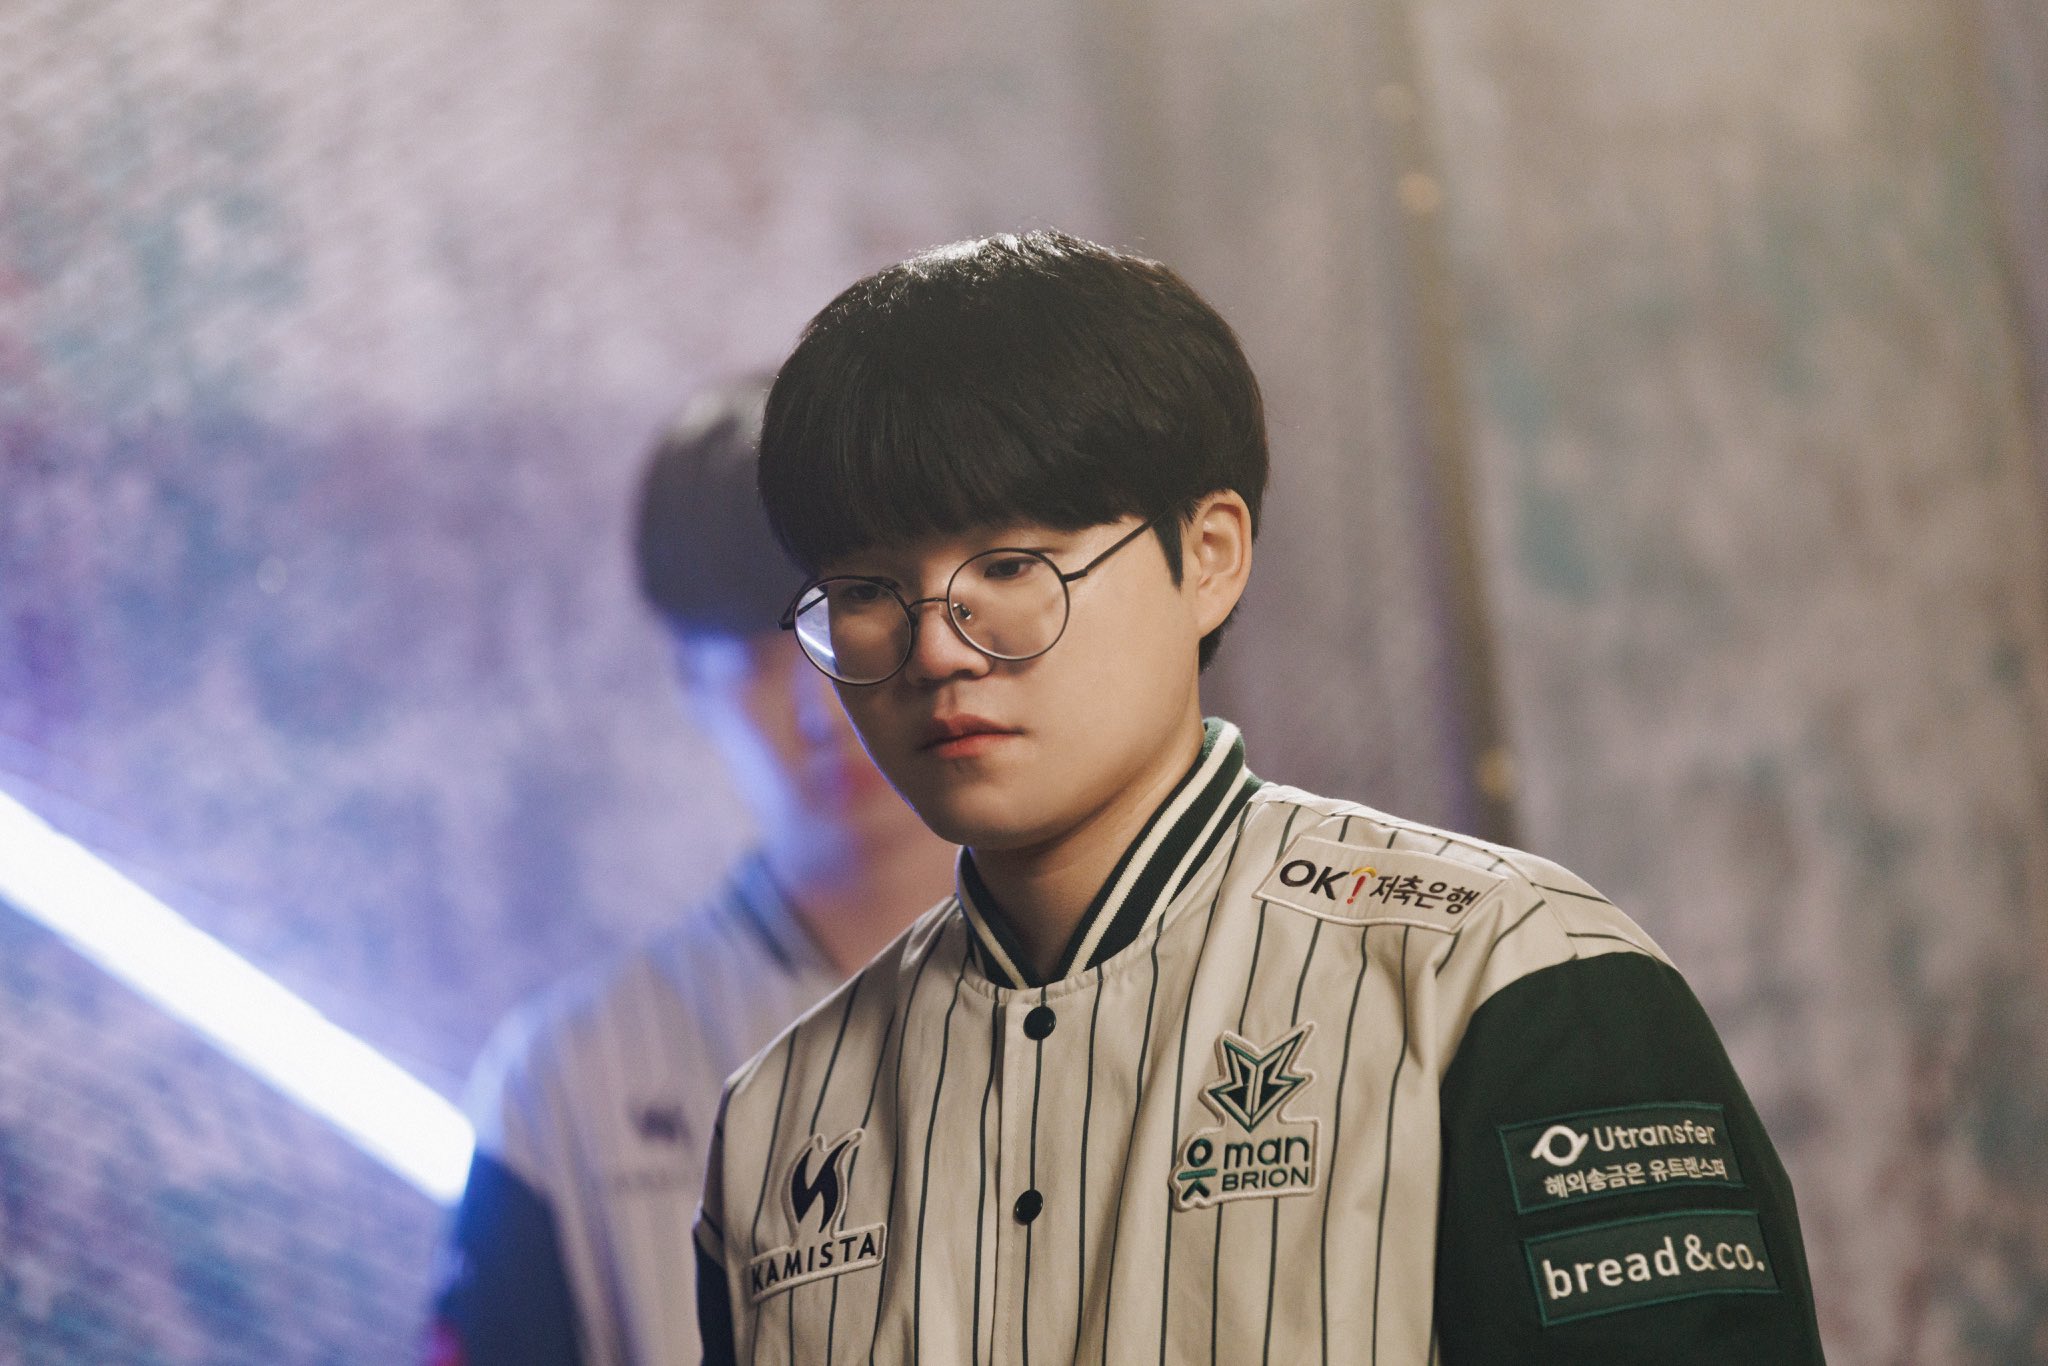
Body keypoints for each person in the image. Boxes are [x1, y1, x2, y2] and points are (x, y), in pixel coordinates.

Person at [692, 231, 1826, 1363]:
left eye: (1009, 565)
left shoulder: (1504, 977)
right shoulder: (776, 1120)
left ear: (1211, 556)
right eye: (867, 588)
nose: (938, 647)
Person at [426, 377, 956, 1366]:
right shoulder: (568, 1081)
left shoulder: (1168, 997)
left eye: (854, 621)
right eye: (760, 657)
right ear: (689, 681)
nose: (825, 704)